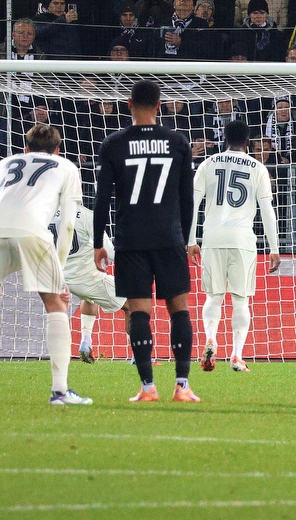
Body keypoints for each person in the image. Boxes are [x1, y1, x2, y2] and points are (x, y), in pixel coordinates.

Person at [92, 79, 198, 403]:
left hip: (131, 239)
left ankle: (148, 387)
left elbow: (102, 198)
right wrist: (183, 236)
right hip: (169, 238)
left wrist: (98, 241)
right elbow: (187, 198)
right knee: (178, 308)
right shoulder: (178, 142)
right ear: (159, 106)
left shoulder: (114, 144)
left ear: (128, 105)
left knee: (139, 311)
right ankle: (182, 386)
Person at [0, 123, 90, 404]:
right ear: (57, 150)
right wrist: (59, 273)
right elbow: (68, 223)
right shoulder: (66, 167)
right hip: (31, 229)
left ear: (25, 148)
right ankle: (60, 391)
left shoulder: (4, 163)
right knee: (55, 302)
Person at [187, 119, 281, 373]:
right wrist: (274, 247)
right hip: (242, 239)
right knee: (241, 300)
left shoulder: (207, 164)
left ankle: (210, 338)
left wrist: (191, 240)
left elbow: (192, 203)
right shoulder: (258, 167)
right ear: (247, 142)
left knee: (213, 296)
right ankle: (237, 355)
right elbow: (267, 210)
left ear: (225, 139)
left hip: (212, 237)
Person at [51, 204, 127, 363]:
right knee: (134, 303)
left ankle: (86, 342)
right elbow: (109, 252)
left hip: (60, 278)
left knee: (89, 297)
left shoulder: (47, 213)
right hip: (86, 278)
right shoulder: (86, 216)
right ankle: (139, 356)